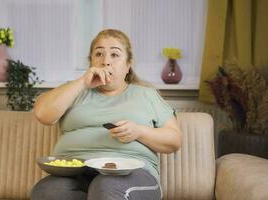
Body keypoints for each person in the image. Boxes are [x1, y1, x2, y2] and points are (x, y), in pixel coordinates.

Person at [31, 29, 182, 200]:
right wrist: (82, 82)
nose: (106, 61)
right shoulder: (74, 90)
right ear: (91, 62)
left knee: (105, 187)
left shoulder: (146, 95)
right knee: (47, 191)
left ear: (128, 65)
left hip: (131, 173)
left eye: (115, 55)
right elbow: (43, 114)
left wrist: (139, 132)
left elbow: (174, 140)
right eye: (99, 54)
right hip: (74, 173)